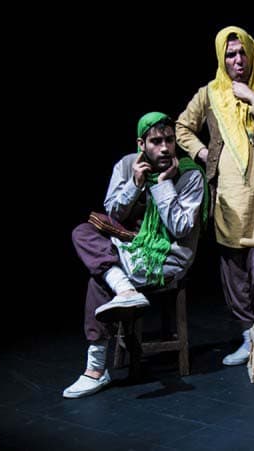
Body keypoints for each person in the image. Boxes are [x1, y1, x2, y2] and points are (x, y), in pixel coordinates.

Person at [176, 26, 254, 366]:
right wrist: (202, 153)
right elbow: (182, 127)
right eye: (230, 54)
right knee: (235, 272)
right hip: (229, 196)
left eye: (243, 52)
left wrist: (253, 98)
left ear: (252, 53)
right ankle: (249, 336)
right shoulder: (210, 93)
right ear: (221, 58)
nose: (238, 59)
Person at [65, 112, 206, 398]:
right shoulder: (127, 165)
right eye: (156, 141)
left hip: (167, 257)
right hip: (130, 247)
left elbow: (180, 229)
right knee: (82, 231)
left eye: (169, 140)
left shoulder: (190, 174)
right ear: (142, 144)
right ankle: (125, 289)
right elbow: (114, 214)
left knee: (98, 280)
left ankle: (95, 369)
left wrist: (163, 184)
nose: (165, 148)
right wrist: (135, 184)